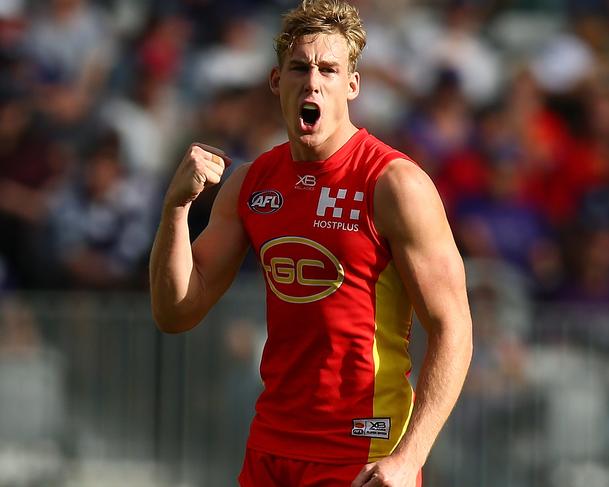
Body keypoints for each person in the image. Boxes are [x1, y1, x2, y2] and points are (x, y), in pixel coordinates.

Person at [149, 1, 473, 485]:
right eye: (300, 67)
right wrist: (176, 208)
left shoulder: (394, 184)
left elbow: (454, 329)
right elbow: (176, 311)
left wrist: (409, 457)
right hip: (272, 446)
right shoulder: (252, 183)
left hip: (361, 449)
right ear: (277, 81)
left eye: (329, 69)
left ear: (353, 84)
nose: (313, 81)